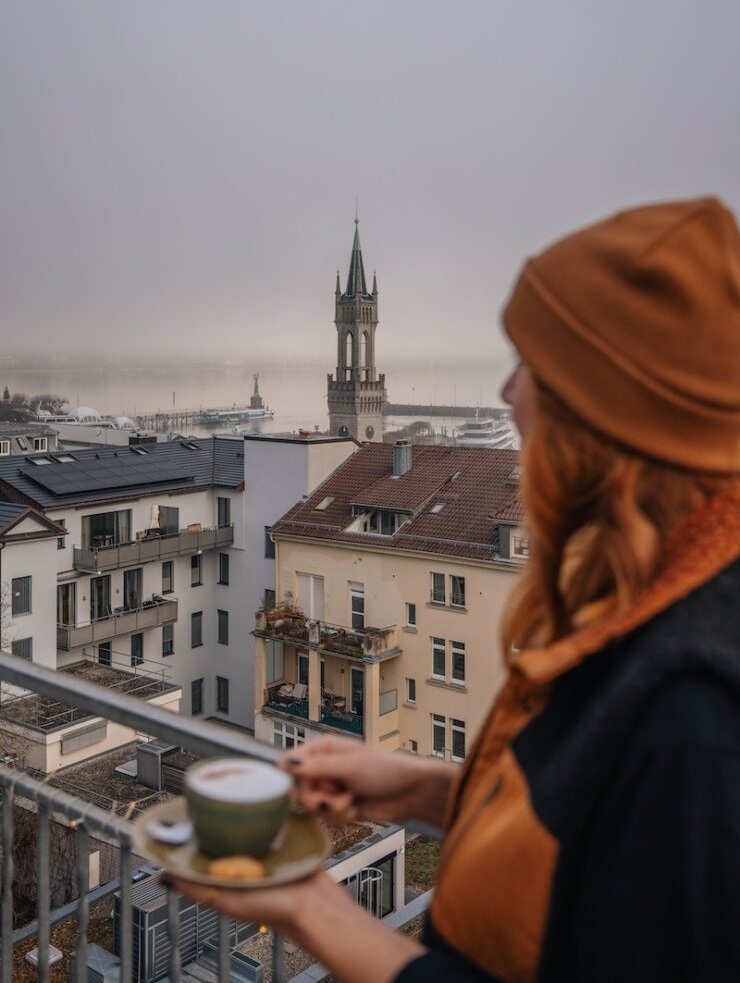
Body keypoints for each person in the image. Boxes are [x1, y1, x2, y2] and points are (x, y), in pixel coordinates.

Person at [168, 197, 740, 981]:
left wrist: (309, 906)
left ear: (608, 409)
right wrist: (417, 787)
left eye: (532, 363)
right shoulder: (654, 593)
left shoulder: (696, 716)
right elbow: (586, 820)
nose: (507, 393)